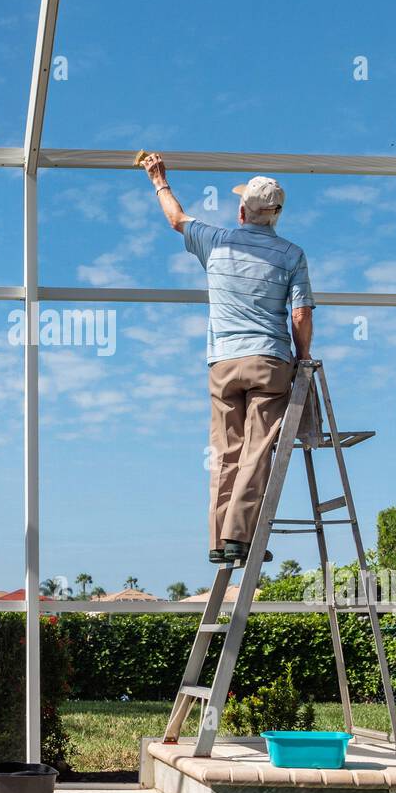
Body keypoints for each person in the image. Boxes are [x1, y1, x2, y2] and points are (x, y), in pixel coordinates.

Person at [139, 152, 314, 564]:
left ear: (242, 211)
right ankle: (240, 537)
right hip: (269, 361)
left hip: (222, 364)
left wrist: (158, 180)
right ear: (276, 215)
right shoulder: (292, 255)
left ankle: (219, 542)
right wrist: (302, 356)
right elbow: (301, 313)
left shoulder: (216, 241)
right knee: (257, 450)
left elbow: (176, 219)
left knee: (226, 452)